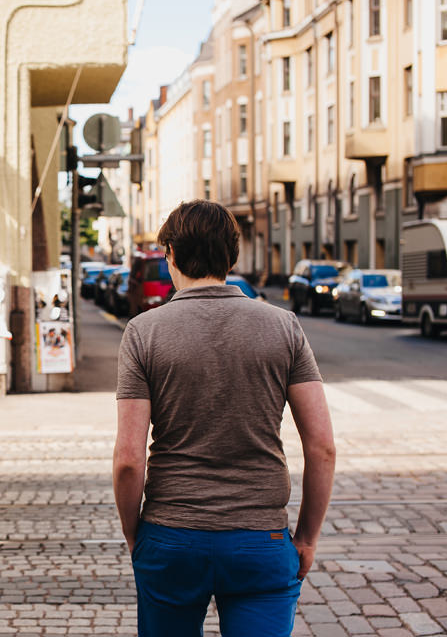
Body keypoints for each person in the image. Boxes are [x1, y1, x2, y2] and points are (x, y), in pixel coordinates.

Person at [113, 200, 336, 637]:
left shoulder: (143, 332)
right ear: (231, 256)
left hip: (172, 533)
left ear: (172, 254)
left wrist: (134, 534)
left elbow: (127, 459)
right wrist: (306, 537)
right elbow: (323, 446)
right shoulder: (284, 327)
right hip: (261, 539)